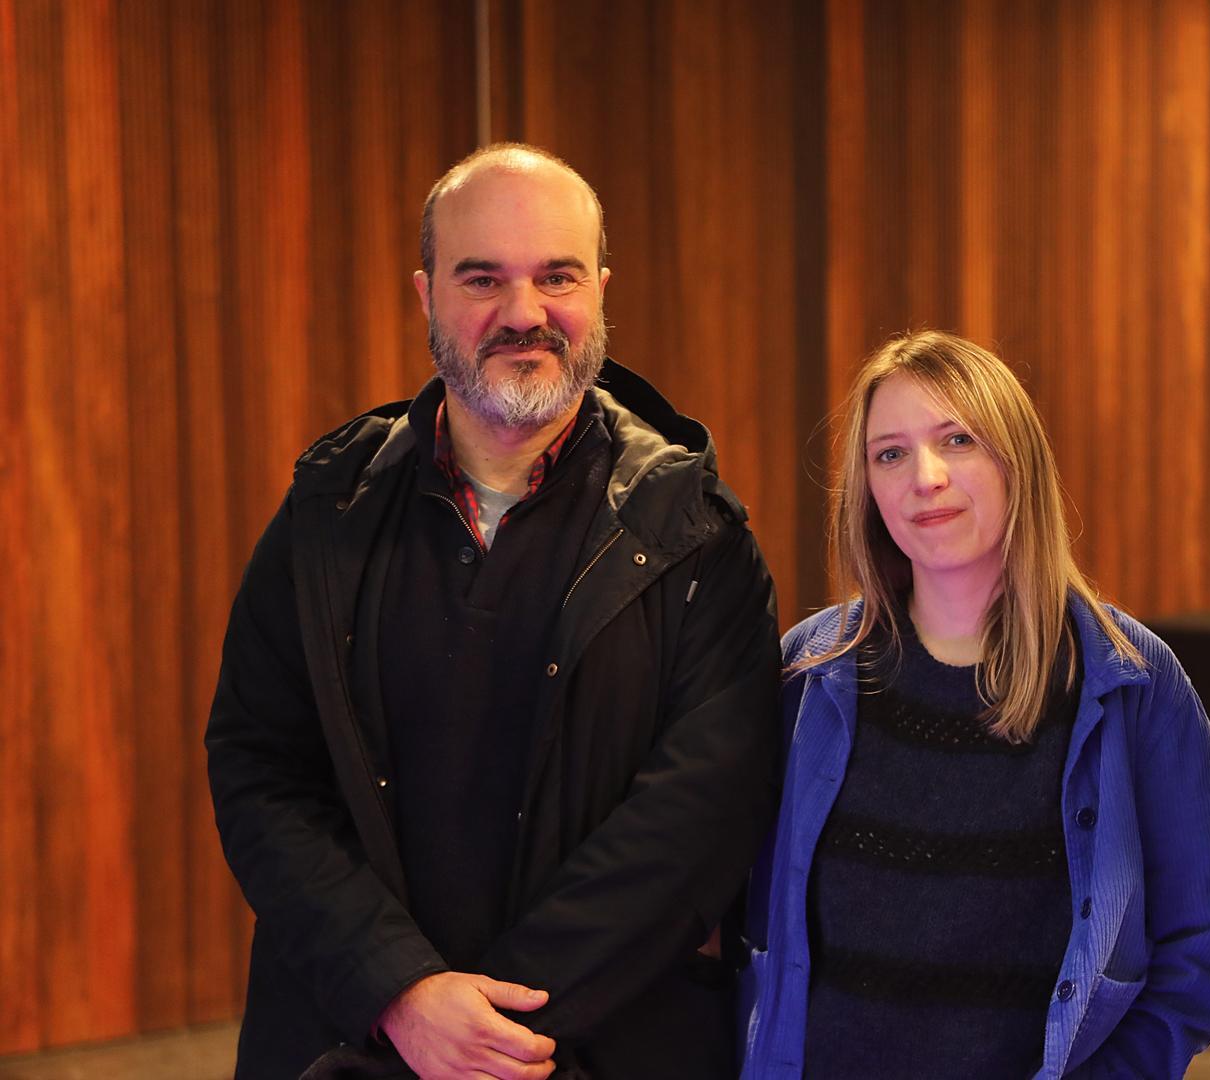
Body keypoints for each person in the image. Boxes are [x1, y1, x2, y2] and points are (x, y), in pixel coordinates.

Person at [205, 143, 781, 1079]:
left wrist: (483, 1037)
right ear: (426, 294)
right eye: (483, 278)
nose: (524, 314)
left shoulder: (698, 539)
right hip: (350, 1045)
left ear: (599, 289)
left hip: (597, 1049)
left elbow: (693, 829)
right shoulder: (325, 514)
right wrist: (400, 995)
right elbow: (261, 772)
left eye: (556, 275)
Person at [739, 331, 1210, 1078]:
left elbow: (1202, 939)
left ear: (1017, 461)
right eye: (890, 453)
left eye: (958, 439)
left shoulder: (1130, 678)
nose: (925, 478)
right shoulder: (811, 673)